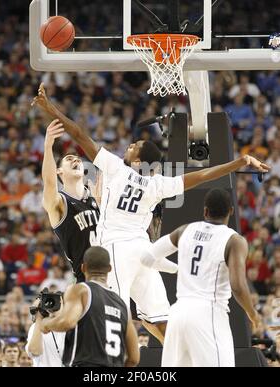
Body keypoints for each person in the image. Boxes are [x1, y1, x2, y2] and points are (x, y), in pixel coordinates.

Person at [32, 83, 269, 344]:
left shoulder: (115, 169)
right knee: (160, 319)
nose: (130, 145)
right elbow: (200, 176)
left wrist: (51, 109)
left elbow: (78, 134)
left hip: (116, 250)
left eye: (134, 146)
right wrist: (238, 163)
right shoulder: (158, 185)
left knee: (111, 314)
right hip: (143, 253)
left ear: (136, 161)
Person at [141, 189, 261, 367]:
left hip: (178, 313)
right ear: (231, 211)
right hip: (208, 314)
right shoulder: (234, 240)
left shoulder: (185, 230)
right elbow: (237, 285)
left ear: (205, 211)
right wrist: (253, 314)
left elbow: (147, 258)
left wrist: (178, 270)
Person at [40, 246, 140, 367]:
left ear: (83, 267)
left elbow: (67, 322)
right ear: (109, 269)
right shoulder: (122, 304)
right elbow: (134, 358)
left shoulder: (81, 290)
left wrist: (45, 324)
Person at [42, 119, 100, 282]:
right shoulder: (60, 203)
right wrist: (48, 146)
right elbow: (49, 182)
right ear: (59, 171)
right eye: (69, 159)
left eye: (78, 159)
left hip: (116, 273)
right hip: (87, 281)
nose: (76, 160)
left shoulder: (97, 198)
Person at [25, 297, 66, 367]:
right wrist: (38, 318)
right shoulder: (35, 327)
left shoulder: (70, 326)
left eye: (57, 303)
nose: (52, 307)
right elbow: (35, 351)